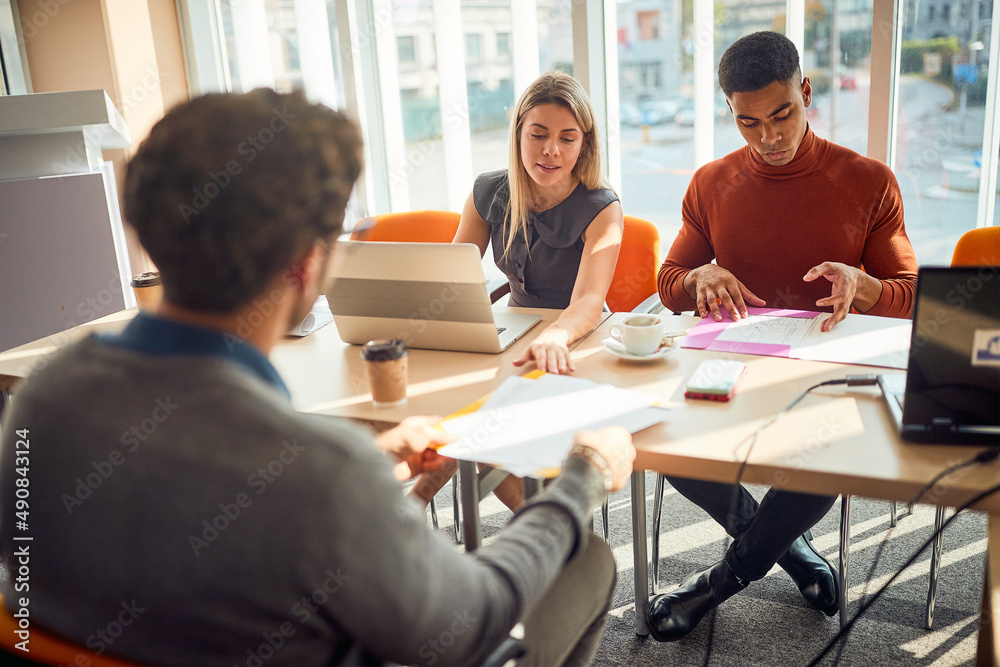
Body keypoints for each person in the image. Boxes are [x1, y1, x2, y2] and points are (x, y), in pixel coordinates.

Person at [0, 89, 637, 666]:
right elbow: (467, 625)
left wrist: (361, 463)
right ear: (309, 266)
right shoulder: (321, 472)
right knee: (586, 561)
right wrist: (581, 479)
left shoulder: (42, 401)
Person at [646, 31, 918, 641]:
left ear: (806, 92)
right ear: (730, 114)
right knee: (667, 447)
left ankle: (719, 583)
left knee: (825, 457)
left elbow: (912, 294)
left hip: (826, 373)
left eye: (782, 114)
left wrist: (866, 286)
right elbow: (666, 283)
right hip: (735, 364)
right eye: (747, 122)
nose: (768, 137)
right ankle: (794, 554)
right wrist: (697, 278)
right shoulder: (711, 182)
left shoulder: (869, 180)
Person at [411, 71, 625, 511]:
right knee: (461, 408)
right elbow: (457, 275)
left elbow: (587, 302)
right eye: (539, 134)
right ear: (518, 135)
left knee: (478, 419)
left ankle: (417, 503)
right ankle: (542, 527)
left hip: (579, 340)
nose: (551, 150)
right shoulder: (488, 191)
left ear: (584, 143)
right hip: (517, 333)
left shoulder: (602, 206)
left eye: (568, 138)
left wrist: (556, 336)